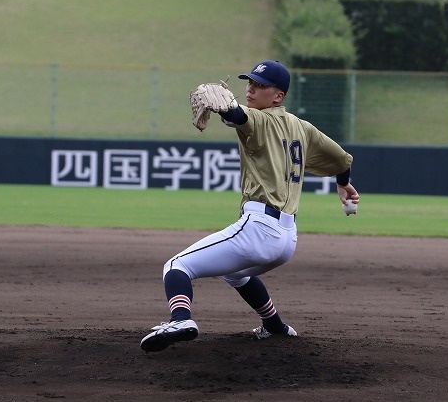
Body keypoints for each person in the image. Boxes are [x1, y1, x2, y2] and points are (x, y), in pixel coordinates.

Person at [141, 60, 359, 352]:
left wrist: (227, 109)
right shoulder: (302, 127)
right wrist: (343, 184)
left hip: (259, 229)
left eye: (260, 85)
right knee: (236, 273)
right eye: (250, 82)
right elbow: (342, 159)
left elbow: (238, 115)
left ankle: (180, 320)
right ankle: (275, 325)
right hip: (287, 240)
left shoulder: (259, 119)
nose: (251, 89)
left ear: (278, 96)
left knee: (176, 266)